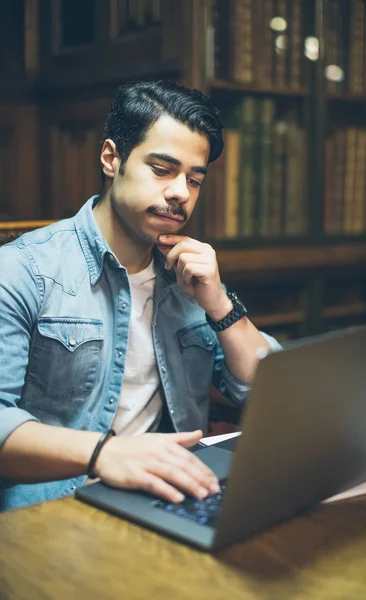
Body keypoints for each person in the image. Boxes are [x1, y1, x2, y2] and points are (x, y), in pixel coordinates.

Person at [0, 80, 281, 511]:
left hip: (170, 496)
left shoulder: (189, 276)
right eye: (163, 169)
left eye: (194, 179)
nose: (180, 193)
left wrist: (220, 305)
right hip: (54, 509)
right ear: (112, 158)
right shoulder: (24, 270)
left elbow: (270, 394)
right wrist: (105, 453)